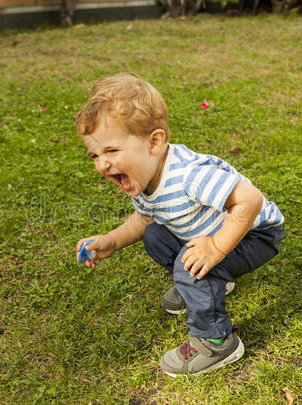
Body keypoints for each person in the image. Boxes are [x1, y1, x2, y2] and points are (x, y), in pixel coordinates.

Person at [75, 73, 284, 377]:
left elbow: (249, 200)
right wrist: (111, 240)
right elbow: (145, 218)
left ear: (155, 142)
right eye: (94, 154)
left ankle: (217, 341)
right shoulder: (145, 178)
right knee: (155, 235)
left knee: (188, 265)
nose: (101, 164)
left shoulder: (189, 175)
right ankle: (210, 283)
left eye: (111, 151)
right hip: (215, 232)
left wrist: (215, 247)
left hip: (255, 232)